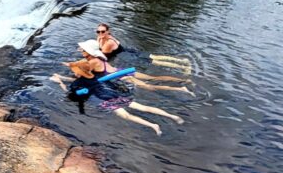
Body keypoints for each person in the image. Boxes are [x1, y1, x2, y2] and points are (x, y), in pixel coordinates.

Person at [50, 40, 184, 135]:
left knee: (129, 111)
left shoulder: (91, 64)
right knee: (146, 96)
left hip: (107, 94)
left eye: (82, 49)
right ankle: (171, 115)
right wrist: (67, 71)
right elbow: (82, 73)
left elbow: (73, 88)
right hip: (116, 83)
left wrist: (60, 81)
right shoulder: (94, 64)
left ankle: (155, 123)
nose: (80, 50)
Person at [95, 23, 193, 91]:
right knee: (156, 57)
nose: (100, 33)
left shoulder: (108, 42)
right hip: (128, 51)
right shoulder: (105, 37)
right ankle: (184, 61)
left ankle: (182, 67)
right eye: (98, 31)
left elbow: (102, 55)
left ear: (108, 31)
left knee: (154, 61)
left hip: (127, 55)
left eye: (102, 31)